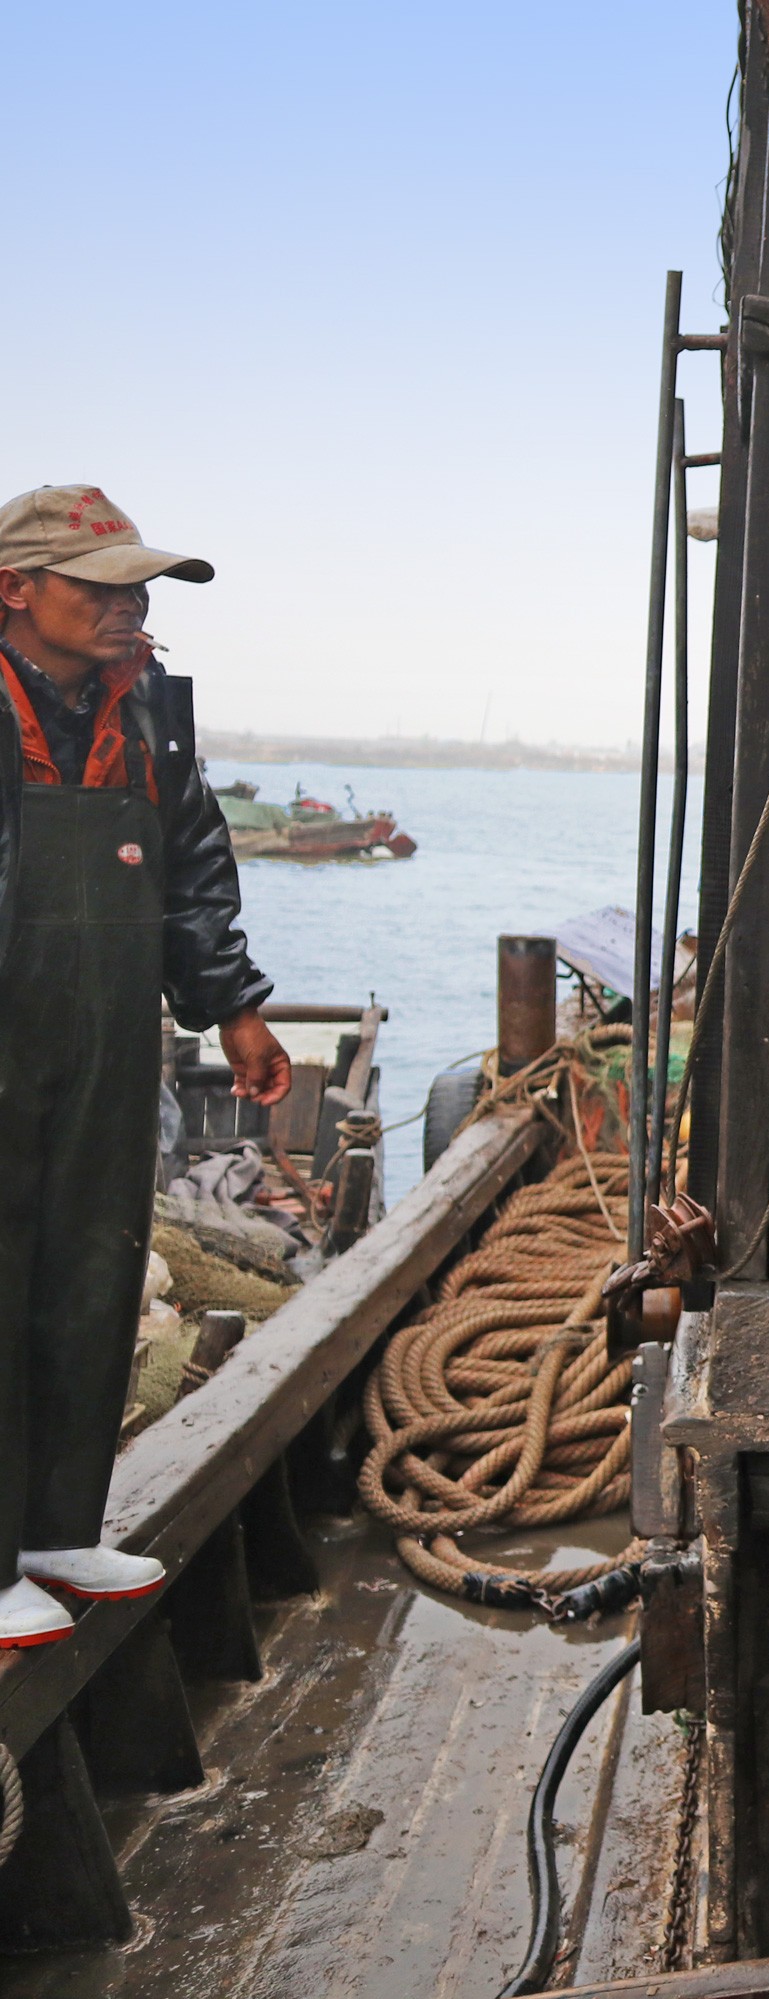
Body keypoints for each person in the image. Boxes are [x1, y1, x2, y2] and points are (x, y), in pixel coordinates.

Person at [0, 485, 288, 1651]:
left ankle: (56, 1527)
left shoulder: (149, 712)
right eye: (99, 586)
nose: (131, 607)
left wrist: (234, 1006)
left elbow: (194, 868)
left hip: (109, 1039)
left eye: (139, 587)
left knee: (90, 1265)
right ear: (16, 588)